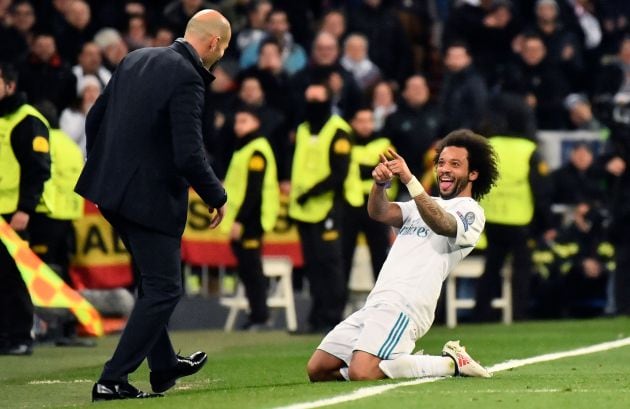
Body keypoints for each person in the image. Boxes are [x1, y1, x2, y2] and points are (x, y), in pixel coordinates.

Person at [75, 10, 231, 401]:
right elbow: (188, 153)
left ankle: (162, 366)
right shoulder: (188, 77)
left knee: (152, 280)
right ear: (213, 43)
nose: (222, 55)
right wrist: (216, 194)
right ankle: (112, 379)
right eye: (223, 47)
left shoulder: (136, 57)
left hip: (112, 192)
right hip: (149, 198)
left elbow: (96, 118)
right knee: (164, 288)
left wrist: (108, 169)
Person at [306, 129, 499, 382]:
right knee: (318, 369)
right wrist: (379, 185)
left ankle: (450, 363)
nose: (444, 169)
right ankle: (398, 364)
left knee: (361, 372)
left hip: (407, 304)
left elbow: (442, 223)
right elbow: (380, 212)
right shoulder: (421, 204)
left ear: (473, 174)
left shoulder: (471, 211)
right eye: (441, 163)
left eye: (455, 164)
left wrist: (409, 180)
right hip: (378, 301)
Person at [288, 82, 363, 333]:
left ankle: (333, 316)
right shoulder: (303, 129)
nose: (312, 105)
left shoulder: (339, 131)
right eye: (309, 99)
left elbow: (339, 172)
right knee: (313, 264)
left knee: (330, 263)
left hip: (331, 205)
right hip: (303, 209)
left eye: (318, 100)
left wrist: (312, 192)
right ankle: (316, 316)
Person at [475, 93, 555, 322]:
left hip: (490, 219)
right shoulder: (528, 149)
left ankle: (481, 314)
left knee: (492, 267)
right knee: (521, 270)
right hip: (520, 220)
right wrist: (547, 222)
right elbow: (541, 189)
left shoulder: (489, 145)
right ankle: (519, 314)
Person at [0, 62, 52, 356]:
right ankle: (5, 335)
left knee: (14, 276)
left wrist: (25, 209)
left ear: (10, 85)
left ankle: (21, 335)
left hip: (16, 215)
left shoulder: (27, 119)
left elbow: (38, 170)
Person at [221, 107, 280, 330]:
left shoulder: (256, 151)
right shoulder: (244, 148)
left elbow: (253, 191)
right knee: (246, 268)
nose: (238, 126)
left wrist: (241, 221)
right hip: (244, 217)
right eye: (237, 121)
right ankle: (257, 314)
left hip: (251, 219)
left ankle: (260, 316)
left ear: (256, 122)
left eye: (244, 121)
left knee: (252, 268)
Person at [342, 107, 395, 288]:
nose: (365, 125)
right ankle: (337, 308)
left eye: (369, 120)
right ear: (353, 123)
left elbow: (387, 171)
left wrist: (362, 168)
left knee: (381, 257)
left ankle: (383, 301)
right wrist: (372, 168)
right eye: (361, 121)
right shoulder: (344, 143)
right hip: (350, 205)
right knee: (343, 257)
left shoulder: (384, 143)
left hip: (378, 204)